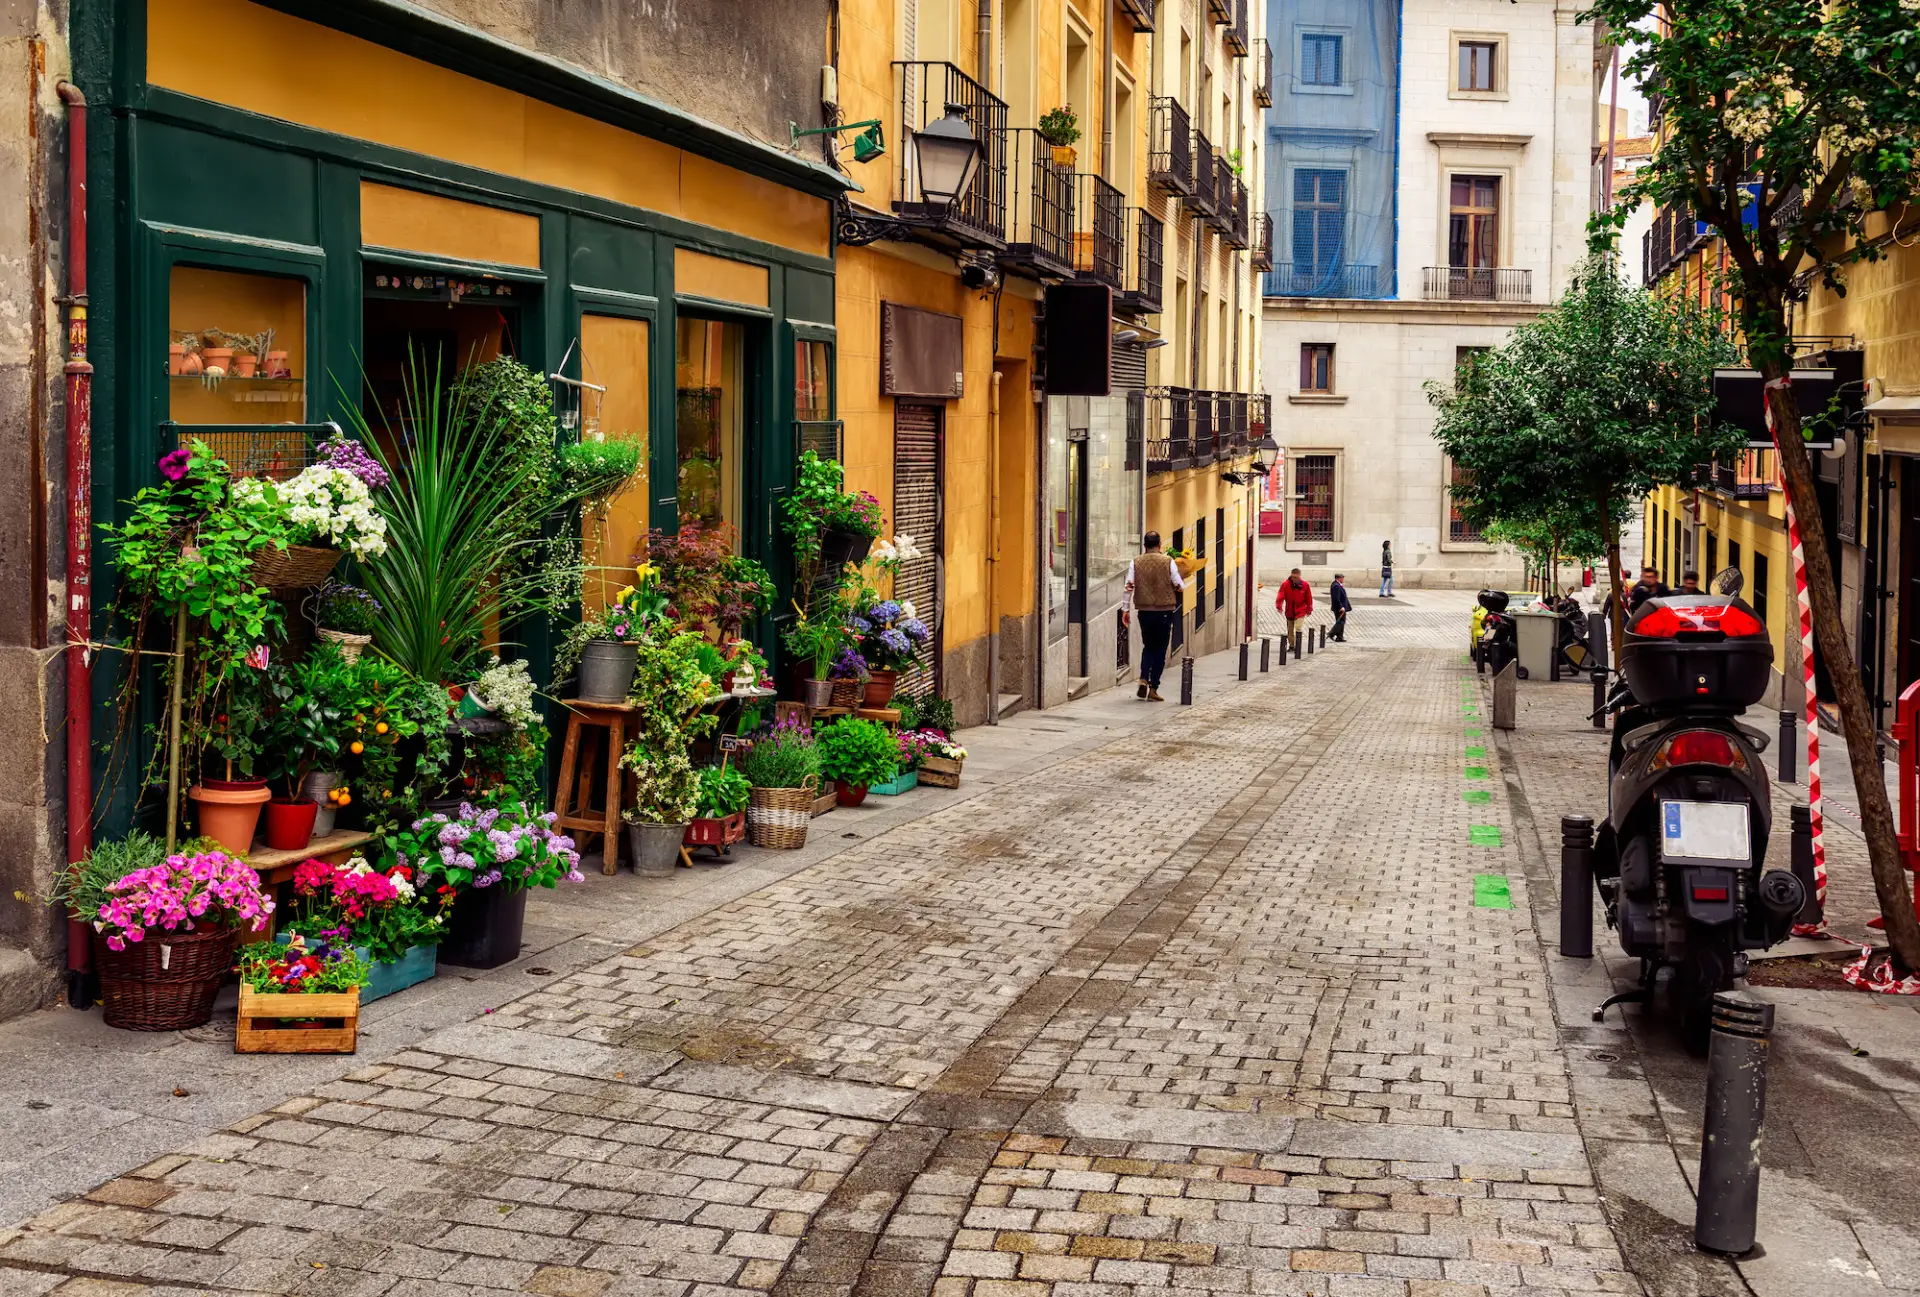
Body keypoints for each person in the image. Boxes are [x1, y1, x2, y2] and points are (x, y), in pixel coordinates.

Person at [1123, 531, 1185, 702]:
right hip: (1164, 611)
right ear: (1160, 545)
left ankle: (1143, 677)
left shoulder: (1135, 562)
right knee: (1160, 648)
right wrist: (1180, 583)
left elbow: (1128, 586)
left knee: (1148, 645)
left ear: (1144, 545)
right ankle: (1154, 687)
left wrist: (1125, 609)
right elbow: (1179, 585)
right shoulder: (1168, 561)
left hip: (1144, 611)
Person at [1278, 567, 1314, 641]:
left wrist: (1309, 609)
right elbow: (1281, 595)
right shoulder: (1285, 584)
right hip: (1289, 610)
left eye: (1296, 577)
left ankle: (1298, 643)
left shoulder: (1305, 585)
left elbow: (1309, 598)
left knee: (1298, 627)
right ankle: (1292, 645)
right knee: (1290, 630)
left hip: (1301, 610)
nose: (1294, 579)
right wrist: (1279, 606)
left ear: (1299, 576)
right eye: (1293, 577)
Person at [1329, 573, 1351, 641]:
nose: (1343, 579)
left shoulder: (1337, 585)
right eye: (1342, 578)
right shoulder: (1336, 586)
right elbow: (1336, 598)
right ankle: (1331, 634)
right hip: (1339, 608)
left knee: (1341, 622)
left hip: (1342, 607)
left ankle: (1339, 637)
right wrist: (1341, 607)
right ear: (1338, 578)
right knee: (1340, 622)